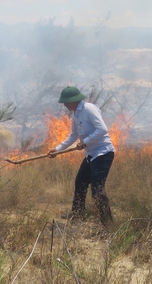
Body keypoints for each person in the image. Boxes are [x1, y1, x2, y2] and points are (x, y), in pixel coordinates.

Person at [48, 86, 115, 226]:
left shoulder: (89, 109)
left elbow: (102, 129)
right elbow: (73, 135)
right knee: (80, 183)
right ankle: (78, 213)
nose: (65, 105)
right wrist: (58, 149)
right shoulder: (76, 114)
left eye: (66, 102)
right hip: (91, 154)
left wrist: (85, 142)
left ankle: (108, 224)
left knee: (97, 189)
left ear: (73, 100)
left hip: (103, 153)